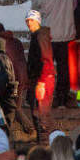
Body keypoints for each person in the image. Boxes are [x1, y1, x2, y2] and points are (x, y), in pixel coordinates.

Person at [30, 0, 76, 108]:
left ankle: (44, 96)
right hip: (67, 33)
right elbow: (74, 5)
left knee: (46, 68)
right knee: (65, 67)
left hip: (47, 36)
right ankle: (62, 96)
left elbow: (35, 11)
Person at [25, 9, 55, 138]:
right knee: (38, 111)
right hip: (39, 78)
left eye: (31, 20)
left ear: (37, 21)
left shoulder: (40, 36)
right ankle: (42, 139)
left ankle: (45, 141)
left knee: (42, 112)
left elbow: (45, 58)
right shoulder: (38, 36)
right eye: (27, 20)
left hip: (43, 79)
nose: (29, 23)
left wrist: (42, 81)